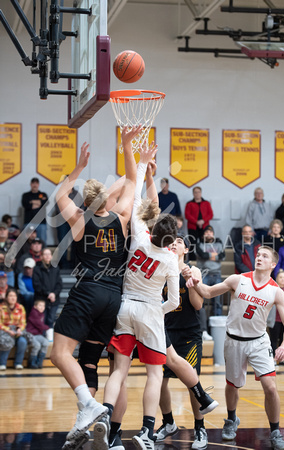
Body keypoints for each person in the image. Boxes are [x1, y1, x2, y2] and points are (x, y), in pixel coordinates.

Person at [50, 126, 142, 445]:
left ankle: (89, 405)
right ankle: (85, 426)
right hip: (114, 297)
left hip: (88, 290)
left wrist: (77, 167)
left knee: (59, 352)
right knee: (89, 362)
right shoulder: (121, 216)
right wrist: (128, 146)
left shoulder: (78, 218)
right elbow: (131, 182)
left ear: (86, 202)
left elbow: (60, 193)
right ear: (106, 199)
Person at [96, 147, 179, 450]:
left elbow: (146, 207)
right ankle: (146, 430)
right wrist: (160, 310)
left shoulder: (141, 237)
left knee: (120, 370)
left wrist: (144, 170)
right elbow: (173, 301)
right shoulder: (170, 259)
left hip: (124, 306)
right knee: (155, 373)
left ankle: (105, 414)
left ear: (155, 230)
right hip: (150, 311)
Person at [186, 246, 284, 450]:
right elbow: (208, 293)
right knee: (232, 385)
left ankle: (275, 431)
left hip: (259, 342)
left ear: (273, 264)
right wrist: (195, 283)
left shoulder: (276, 292)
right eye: (258, 255)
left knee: (270, 387)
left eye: (264, 256)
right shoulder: (238, 279)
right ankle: (231, 419)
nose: (259, 258)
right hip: (234, 340)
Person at [154, 233, 219, 450]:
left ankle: (199, 427)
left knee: (192, 382)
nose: (174, 243)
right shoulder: (160, 269)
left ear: (186, 250)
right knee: (160, 381)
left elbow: (198, 306)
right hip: (166, 332)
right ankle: (169, 422)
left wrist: (192, 283)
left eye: (179, 242)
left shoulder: (193, 270)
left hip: (189, 333)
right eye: (171, 241)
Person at [196, 225, 225, 316]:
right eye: (206, 232)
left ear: (213, 234)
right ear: (203, 235)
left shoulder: (219, 244)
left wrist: (208, 255)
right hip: (204, 274)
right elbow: (202, 255)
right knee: (200, 300)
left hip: (216, 274)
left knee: (217, 301)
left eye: (211, 232)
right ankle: (202, 323)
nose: (209, 234)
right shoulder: (199, 244)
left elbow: (222, 256)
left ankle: (216, 324)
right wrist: (214, 255)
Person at [267, 269, 284, 366]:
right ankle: (273, 359)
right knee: (273, 339)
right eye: (280, 277)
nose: (282, 279)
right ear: (277, 278)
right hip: (275, 319)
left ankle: (282, 359)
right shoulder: (273, 288)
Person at [32, 248, 62, 327]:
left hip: (54, 299)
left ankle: (49, 338)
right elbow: (36, 285)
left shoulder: (56, 268)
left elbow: (59, 284)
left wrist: (54, 294)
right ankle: (42, 337)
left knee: (51, 320)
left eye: (49, 254)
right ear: (41, 256)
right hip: (41, 299)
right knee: (42, 321)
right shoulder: (37, 268)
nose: (48, 256)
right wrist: (48, 293)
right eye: (45, 254)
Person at [0, 288, 28, 370]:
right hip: (5, 332)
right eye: (11, 296)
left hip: (16, 332)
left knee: (23, 342)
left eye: (14, 296)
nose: (13, 298)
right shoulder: (1, 308)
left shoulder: (21, 307)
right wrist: (8, 330)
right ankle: (2, 363)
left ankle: (18, 363)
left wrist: (19, 329)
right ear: (7, 297)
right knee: (6, 341)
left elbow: (23, 322)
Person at [185, 187, 213, 261]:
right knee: (192, 244)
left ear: (201, 193)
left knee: (204, 243)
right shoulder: (189, 204)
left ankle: (204, 258)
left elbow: (210, 214)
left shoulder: (206, 203)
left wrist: (203, 221)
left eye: (198, 192)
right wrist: (196, 222)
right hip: (193, 227)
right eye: (195, 192)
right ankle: (192, 260)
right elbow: (187, 215)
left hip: (204, 227)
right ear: (193, 193)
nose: (197, 194)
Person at [21, 177, 48, 244]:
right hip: (29, 221)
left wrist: (32, 202)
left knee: (42, 241)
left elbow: (45, 204)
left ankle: (43, 254)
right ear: (30, 184)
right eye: (33, 183)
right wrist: (39, 203)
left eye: (36, 183)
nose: (35, 185)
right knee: (27, 242)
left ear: (38, 184)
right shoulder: (25, 195)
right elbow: (26, 205)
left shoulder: (43, 194)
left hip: (41, 222)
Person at [26, 299, 50, 368]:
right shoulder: (34, 313)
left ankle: (39, 362)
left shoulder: (42, 314)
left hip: (37, 334)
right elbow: (39, 325)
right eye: (40, 305)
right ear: (35, 306)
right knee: (37, 345)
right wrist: (48, 327)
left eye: (43, 306)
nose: (42, 307)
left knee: (45, 342)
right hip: (30, 334)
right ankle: (32, 363)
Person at [0, 221, 15, 287]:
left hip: (8, 272)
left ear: (7, 231)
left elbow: (12, 260)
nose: (2, 231)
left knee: (10, 291)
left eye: (4, 229)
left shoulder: (12, 244)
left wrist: (1, 256)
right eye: (0, 229)